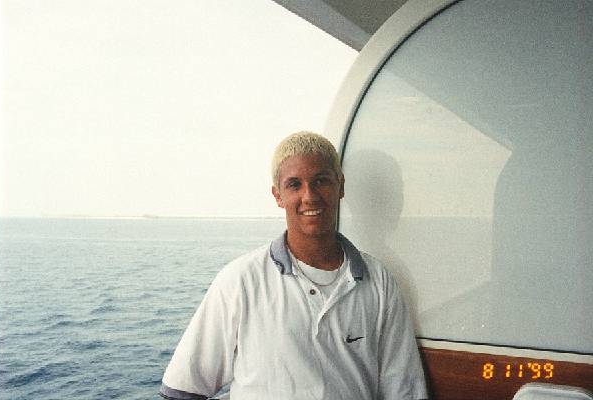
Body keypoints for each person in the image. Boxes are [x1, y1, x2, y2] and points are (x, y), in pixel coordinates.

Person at [160, 132, 427, 400]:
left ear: (340, 186)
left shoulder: (379, 282)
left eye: (321, 181)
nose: (309, 196)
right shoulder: (241, 281)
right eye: (294, 185)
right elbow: (183, 388)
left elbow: (403, 390)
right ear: (278, 195)